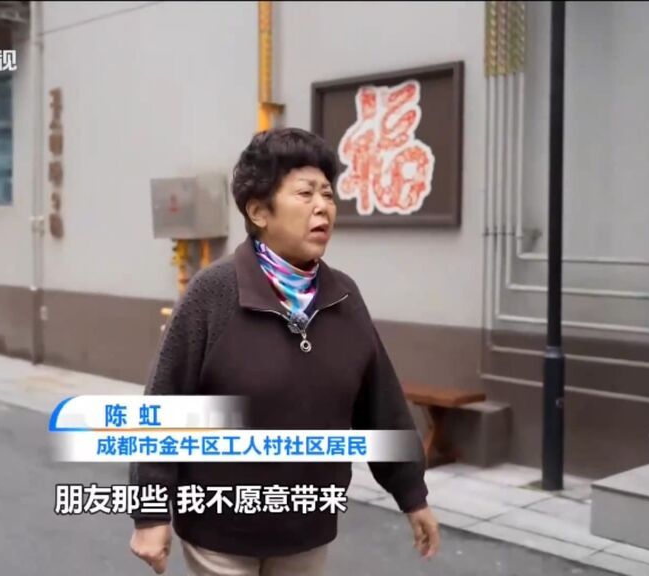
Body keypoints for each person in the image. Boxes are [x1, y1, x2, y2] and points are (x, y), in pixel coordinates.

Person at [129, 127, 439, 575]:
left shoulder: (343, 297)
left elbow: (382, 406)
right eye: (305, 193)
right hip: (220, 530)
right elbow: (164, 403)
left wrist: (413, 495)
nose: (323, 207)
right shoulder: (212, 294)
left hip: (306, 529)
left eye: (328, 194)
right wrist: (151, 514)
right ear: (259, 211)